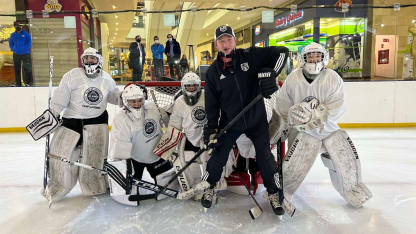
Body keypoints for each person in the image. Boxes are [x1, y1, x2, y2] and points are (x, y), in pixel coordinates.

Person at [177, 25, 289, 216]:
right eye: (221, 41)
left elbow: (282, 52)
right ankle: (210, 187)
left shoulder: (250, 56)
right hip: (230, 123)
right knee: (217, 155)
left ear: (235, 41)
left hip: (256, 120)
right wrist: (212, 130)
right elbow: (212, 105)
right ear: (216, 45)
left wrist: (271, 74)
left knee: (265, 156)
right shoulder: (213, 72)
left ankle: (272, 192)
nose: (226, 44)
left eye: (229, 40)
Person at [275, 42, 372, 208]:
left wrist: (315, 117)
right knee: (293, 166)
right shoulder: (293, 78)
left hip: (327, 130)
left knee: (339, 161)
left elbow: (338, 105)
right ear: (303, 59)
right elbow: (283, 103)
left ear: (324, 57)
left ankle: (350, 189)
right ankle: (284, 193)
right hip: (299, 132)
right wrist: (284, 123)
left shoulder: (332, 77)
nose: (314, 60)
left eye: (317, 56)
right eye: (310, 56)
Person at [41, 47, 121, 205]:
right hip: (71, 121)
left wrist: (125, 97)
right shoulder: (72, 75)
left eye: (93, 59)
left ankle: (94, 183)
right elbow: (60, 98)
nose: (90, 62)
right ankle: (58, 184)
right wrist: (53, 115)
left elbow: (113, 97)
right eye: (86, 59)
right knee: (61, 156)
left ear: (100, 61)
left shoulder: (107, 79)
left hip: (96, 123)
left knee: (94, 159)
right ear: (82, 61)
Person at [154, 72, 227, 197]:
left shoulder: (208, 96)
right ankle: (195, 186)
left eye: (194, 85)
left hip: (208, 137)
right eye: (188, 86)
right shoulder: (180, 102)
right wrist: (168, 148)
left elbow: (218, 114)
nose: (191, 88)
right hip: (190, 138)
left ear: (198, 85)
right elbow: (175, 124)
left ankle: (213, 184)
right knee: (187, 159)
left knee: (209, 160)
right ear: (183, 87)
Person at [108, 84, 178, 206]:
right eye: (132, 101)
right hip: (136, 159)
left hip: (157, 156)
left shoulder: (152, 107)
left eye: (139, 100)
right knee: (130, 189)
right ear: (125, 101)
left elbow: (169, 120)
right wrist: (122, 169)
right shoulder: (120, 119)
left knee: (169, 186)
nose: (137, 104)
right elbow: (120, 146)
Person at [9, 21, 32, 86]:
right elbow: (11, 43)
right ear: (14, 26)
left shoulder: (26, 34)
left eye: (19, 25)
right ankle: (18, 83)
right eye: (16, 25)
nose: (17, 26)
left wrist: (24, 49)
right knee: (17, 69)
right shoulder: (13, 35)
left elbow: (29, 43)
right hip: (16, 54)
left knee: (27, 68)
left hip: (25, 54)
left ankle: (28, 83)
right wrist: (14, 49)